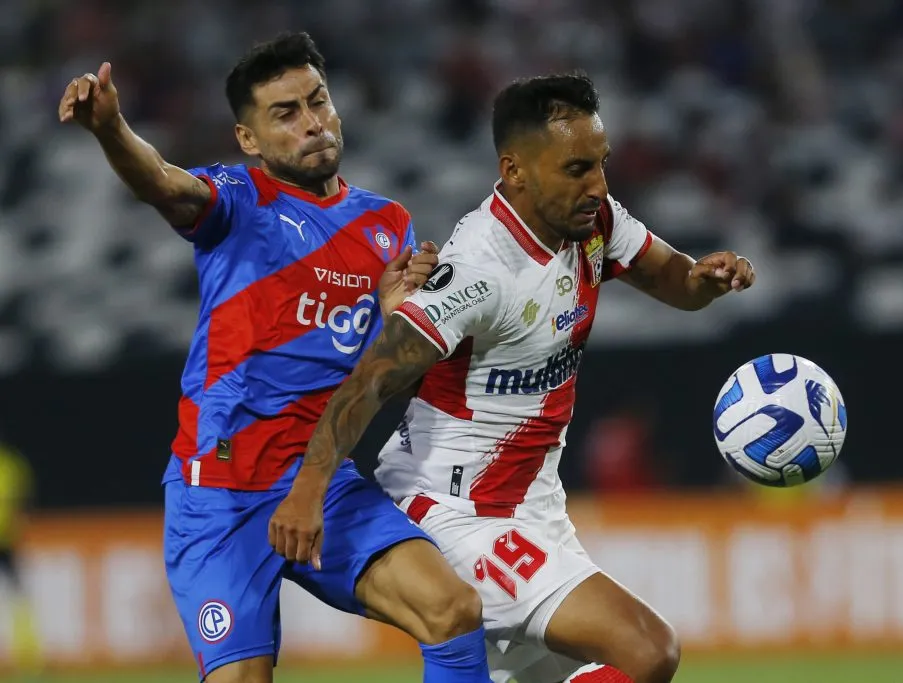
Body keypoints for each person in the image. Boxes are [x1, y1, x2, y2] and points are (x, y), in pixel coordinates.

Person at [271, 72, 756, 682]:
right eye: (577, 168)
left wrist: (703, 280)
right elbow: (371, 378)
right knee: (647, 649)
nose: (597, 185)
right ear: (516, 170)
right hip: (454, 512)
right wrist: (307, 493)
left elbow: (675, 282)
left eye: (601, 164)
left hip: (535, 507)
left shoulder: (595, 223)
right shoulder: (480, 267)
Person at [57, 32, 491, 683]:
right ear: (249, 140)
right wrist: (111, 128)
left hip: (321, 480)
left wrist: (401, 317)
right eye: (285, 113)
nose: (312, 122)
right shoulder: (238, 201)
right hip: (220, 497)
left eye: (318, 101)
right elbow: (163, 183)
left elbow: (388, 376)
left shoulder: (388, 225)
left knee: (452, 609)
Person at [0, 439, 42, 675]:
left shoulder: (10, 464)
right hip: (7, 538)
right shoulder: (11, 464)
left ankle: (27, 658)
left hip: (6, 541)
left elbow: (23, 501)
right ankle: (28, 659)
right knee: (18, 596)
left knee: (18, 597)